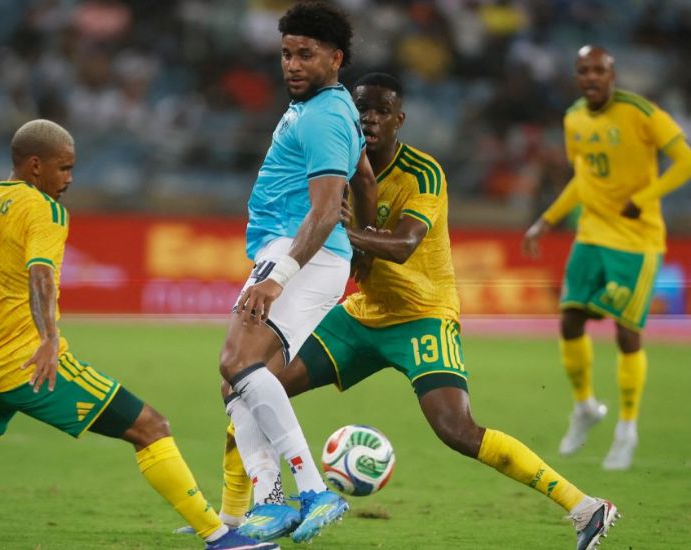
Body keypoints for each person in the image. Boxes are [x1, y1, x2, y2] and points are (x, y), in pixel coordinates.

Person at [215, 73, 620, 550]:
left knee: (457, 430)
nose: (369, 119)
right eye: (361, 109)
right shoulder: (339, 166)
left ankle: (585, 507)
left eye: (381, 111)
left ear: (399, 120)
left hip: (422, 314)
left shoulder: (423, 173)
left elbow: (405, 244)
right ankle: (235, 519)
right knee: (252, 384)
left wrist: (342, 233)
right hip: (362, 315)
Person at [0, 119, 276, 550]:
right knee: (150, 426)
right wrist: (49, 339)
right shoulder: (44, 210)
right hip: (29, 364)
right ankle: (220, 538)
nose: (69, 179)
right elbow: (41, 275)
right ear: (35, 165)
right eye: (64, 168)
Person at [216, 1, 377, 544]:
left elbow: (327, 208)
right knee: (236, 380)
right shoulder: (327, 108)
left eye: (305, 54)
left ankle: (310, 490)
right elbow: (365, 179)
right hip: (306, 252)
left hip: (299, 251)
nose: (292, 64)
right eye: (286, 53)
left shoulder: (325, 115)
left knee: (237, 360)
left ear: (335, 58)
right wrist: (363, 245)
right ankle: (270, 503)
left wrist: (278, 275)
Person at [523, 45, 691, 470]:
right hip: (592, 235)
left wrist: (644, 198)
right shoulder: (574, 118)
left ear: (612, 74)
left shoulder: (642, 112)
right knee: (570, 319)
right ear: (577, 76)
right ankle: (585, 407)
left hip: (636, 241)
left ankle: (627, 428)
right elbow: (583, 179)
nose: (591, 77)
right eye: (584, 71)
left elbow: (685, 162)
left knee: (626, 335)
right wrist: (546, 220)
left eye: (599, 70)